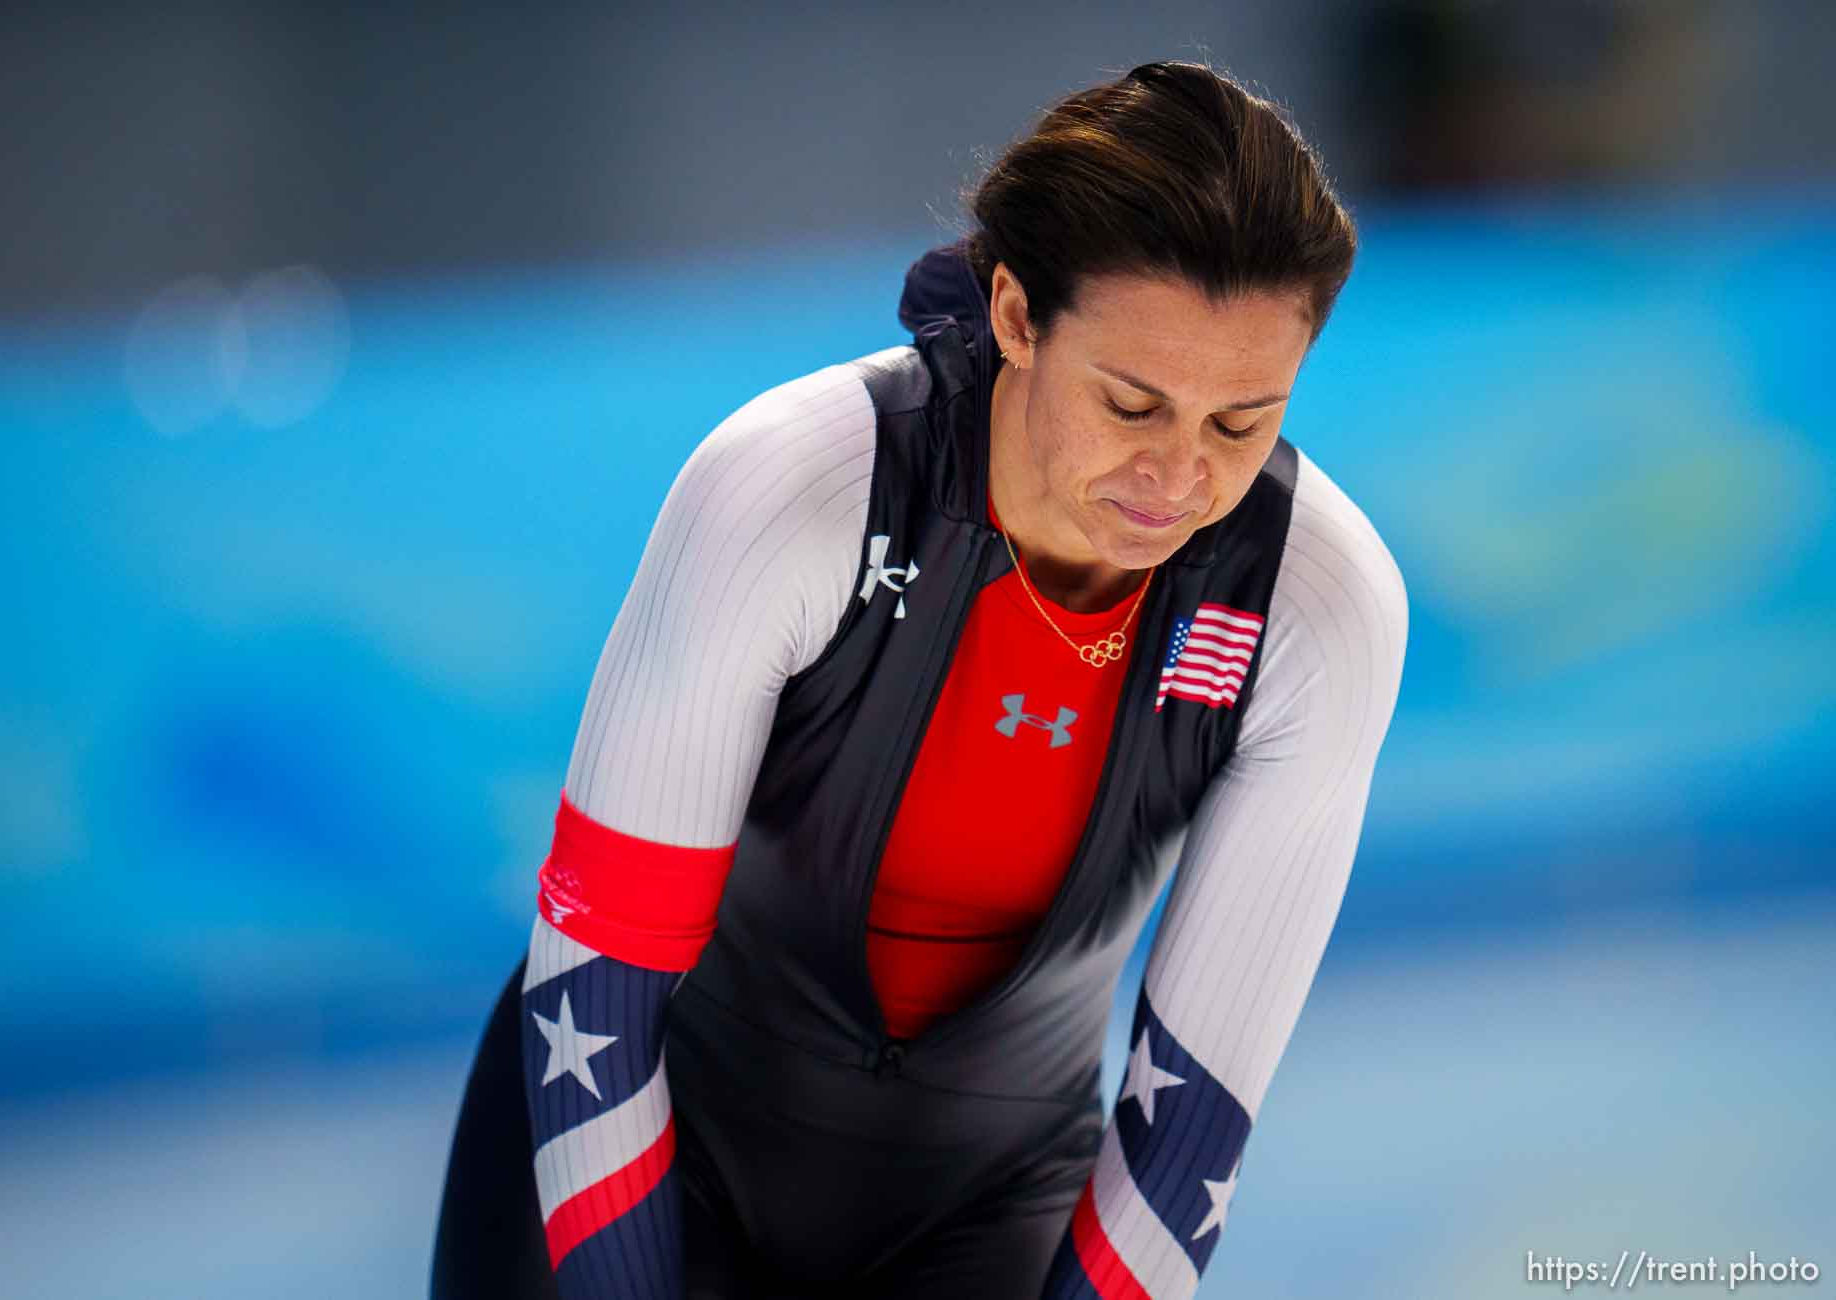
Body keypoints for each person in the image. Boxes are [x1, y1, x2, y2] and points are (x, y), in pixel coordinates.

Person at [431, 60, 1407, 1299]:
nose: (1177, 477)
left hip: (980, 1208)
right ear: (1013, 315)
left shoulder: (1314, 605)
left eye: (1240, 423)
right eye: (1130, 402)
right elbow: (600, 992)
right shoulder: (792, 491)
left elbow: (1194, 1115)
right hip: (638, 1125)